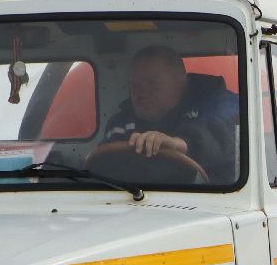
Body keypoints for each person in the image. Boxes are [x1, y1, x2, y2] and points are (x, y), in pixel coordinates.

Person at [94, 45, 239, 182]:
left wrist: (180, 144)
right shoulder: (120, 124)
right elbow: (103, 168)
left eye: (153, 83)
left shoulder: (218, 102)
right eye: (135, 85)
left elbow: (221, 127)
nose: (142, 92)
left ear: (182, 81)